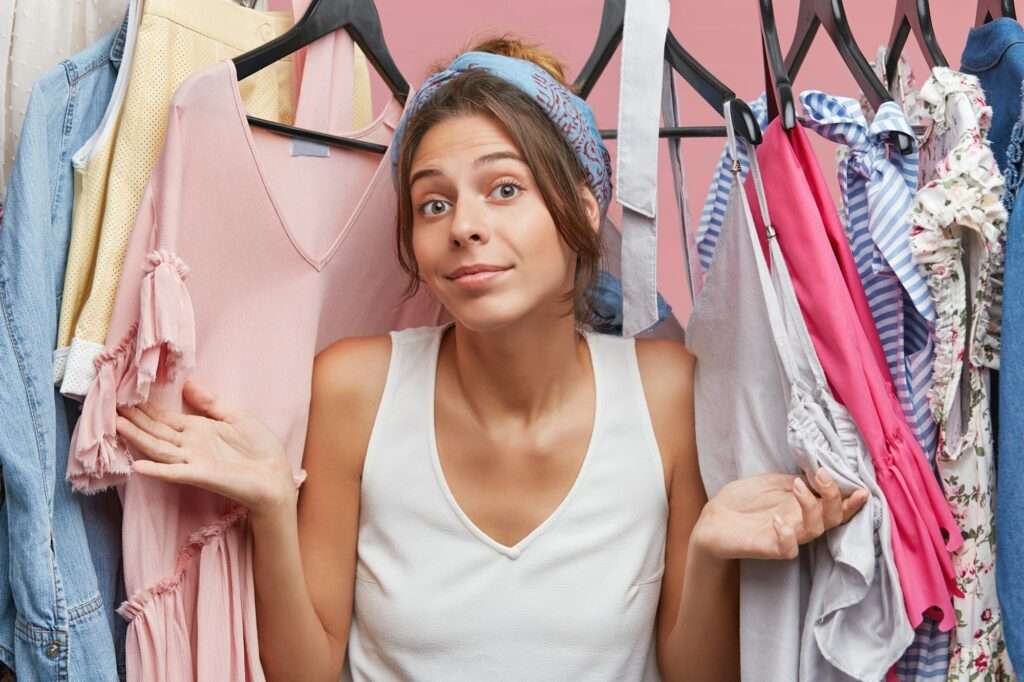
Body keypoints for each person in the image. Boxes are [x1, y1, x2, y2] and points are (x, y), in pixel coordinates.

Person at [113, 38, 869, 681]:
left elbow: (693, 674)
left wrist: (709, 553)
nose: (464, 226)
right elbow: (307, 668)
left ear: (580, 205)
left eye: (504, 188)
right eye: (433, 203)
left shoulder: (666, 390)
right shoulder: (355, 386)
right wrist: (275, 507)